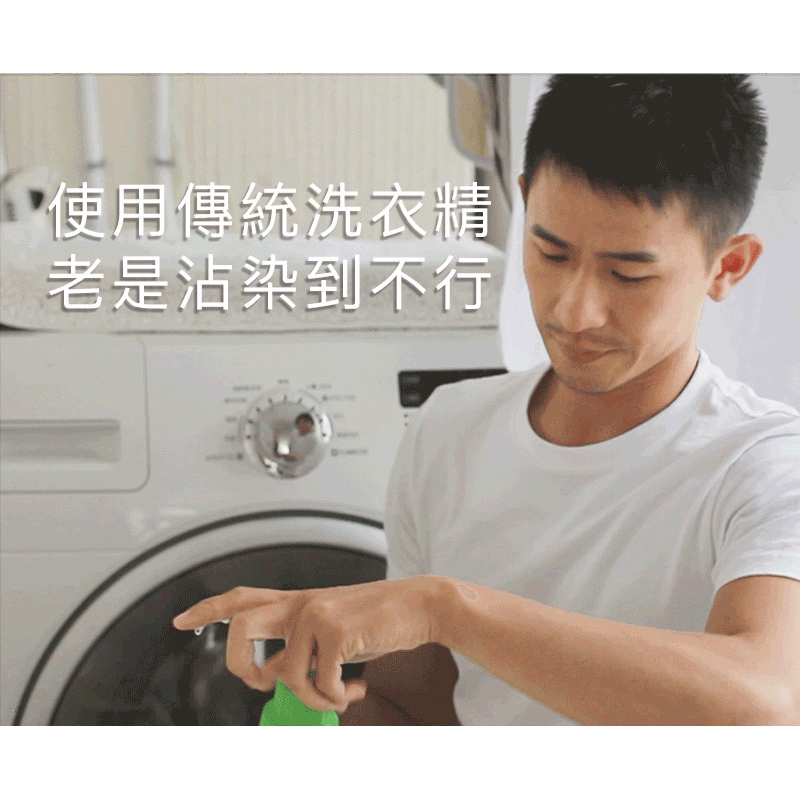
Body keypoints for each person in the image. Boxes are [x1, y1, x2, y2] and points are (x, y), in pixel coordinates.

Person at [173, 75, 800, 725]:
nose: (574, 311)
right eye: (550, 252)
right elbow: (410, 708)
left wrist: (443, 609)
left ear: (727, 267)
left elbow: (766, 706)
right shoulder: (450, 430)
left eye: (627, 275)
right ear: (523, 204)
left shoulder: (764, 464)